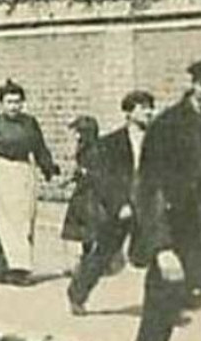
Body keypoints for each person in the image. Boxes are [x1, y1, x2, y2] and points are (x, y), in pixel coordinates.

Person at [128, 58, 201, 341]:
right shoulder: (168, 127)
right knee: (157, 328)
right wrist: (161, 247)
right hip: (178, 243)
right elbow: (149, 190)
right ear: (197, 86)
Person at [0, 80, 59, 285]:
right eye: (9, 102)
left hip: (24, 173)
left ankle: (20, 266)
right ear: (1, 104)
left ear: (23, 103)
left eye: (17, 102)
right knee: (2, 222)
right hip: (2, 174)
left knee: (24, 221)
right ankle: (9, 268)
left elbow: (40, 148)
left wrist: (48, 168)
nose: (13, 106)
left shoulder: (30, 123)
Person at [63, 100, 146, 315]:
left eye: (150, 107)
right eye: (143, 108)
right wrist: (119, 204)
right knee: (104, 252)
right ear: (129, 113)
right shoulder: (112, 142)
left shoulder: (157, 139)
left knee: (162, 250)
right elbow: (105, 178)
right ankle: (77, 294)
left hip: (147, 202)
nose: (149, 112)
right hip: (122, 205)